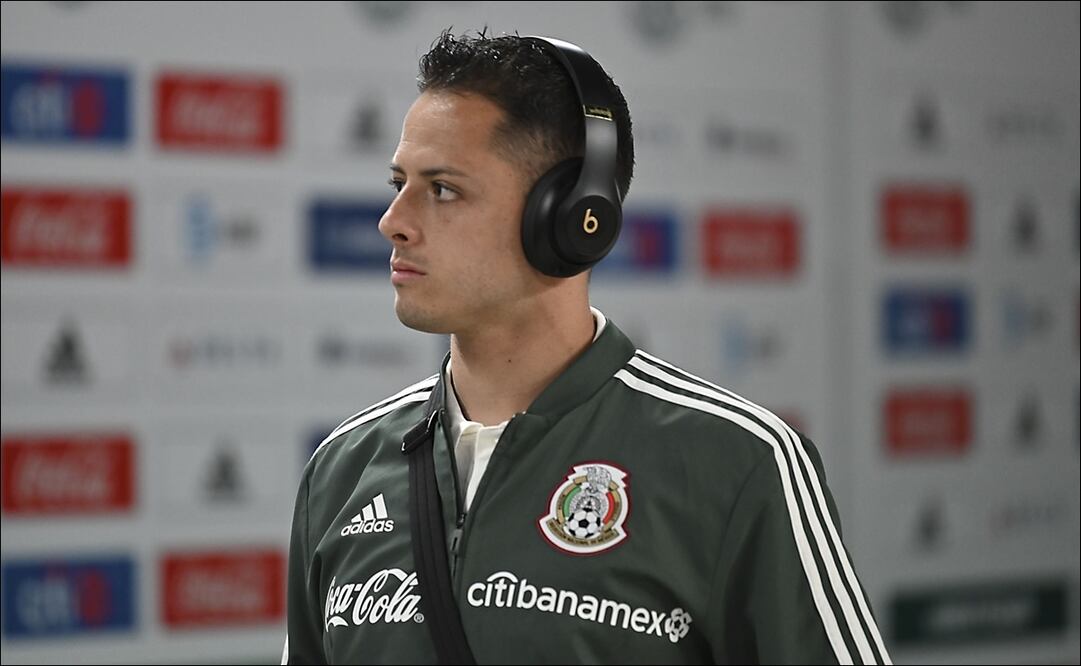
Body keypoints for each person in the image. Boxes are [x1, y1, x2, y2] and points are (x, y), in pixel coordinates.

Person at [283, 28, 890, 665]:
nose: (393, 221)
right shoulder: (341, 469)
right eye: (397, 183)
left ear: (573, 217)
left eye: (442, 189)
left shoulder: (737, 464)